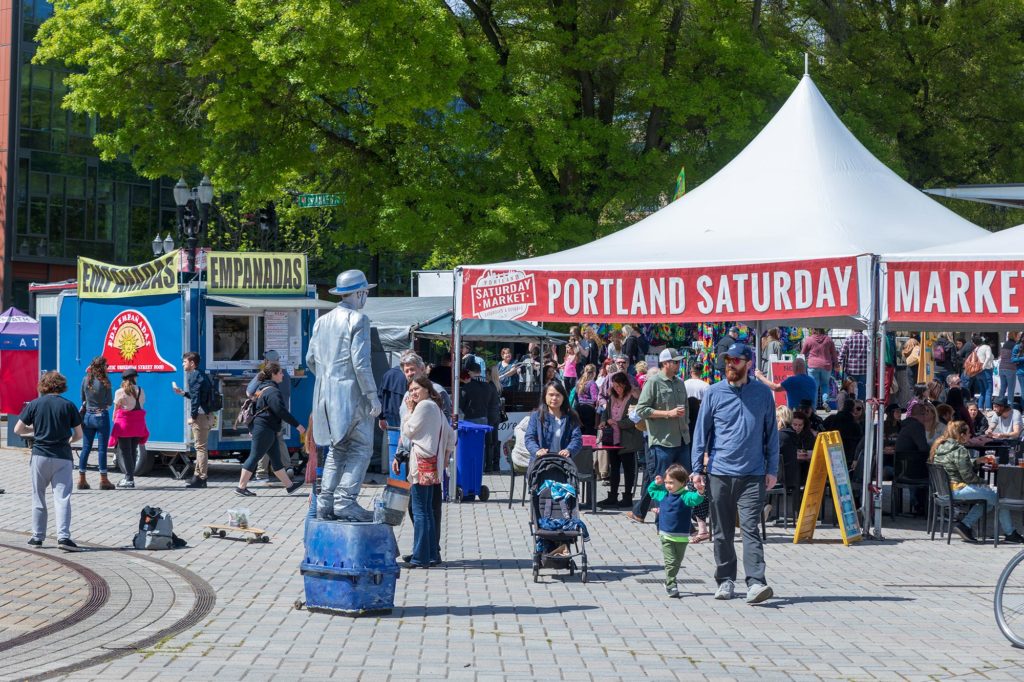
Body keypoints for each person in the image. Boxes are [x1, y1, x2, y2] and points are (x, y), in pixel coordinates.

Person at [691, 342, 777, 604]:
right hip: (719, 472)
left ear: (748, 363)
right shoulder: (714, 393)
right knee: (722, 531)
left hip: (753, 473)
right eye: (728, 360)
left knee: (750, 528)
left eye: (736, 360)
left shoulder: (763, 394)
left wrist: (772, 468)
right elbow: (700, 432)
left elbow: (771, 433)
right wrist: (697, 469)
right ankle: (726, 580)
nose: (730, 364)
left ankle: (756, 583)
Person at [307, 269, 382, 522]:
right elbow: (361, 364)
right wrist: (372, 396)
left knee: (337, 449)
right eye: (366, 293)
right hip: (352, 396)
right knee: (361, 448)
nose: (366, 298)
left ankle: (325, 502)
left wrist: (327, 379)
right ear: (359, 293)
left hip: (325, 398)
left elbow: (310, 360)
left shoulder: (321, 321)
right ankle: (345, 501)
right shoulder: (358, 320)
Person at [15, 371, 84, 551]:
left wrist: (35, 433)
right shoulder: (68, 406)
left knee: (38, 496)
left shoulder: (35, 404)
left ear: (43, 385)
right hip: (62, 457)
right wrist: (68, 441)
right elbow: (79, 434)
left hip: (40, 455)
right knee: (62, 498)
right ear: (61, 386)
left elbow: (17, 429)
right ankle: (63, 538)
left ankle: (37, 537)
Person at [394, 376, 456, 568]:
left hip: (421, 462)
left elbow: (409, 431)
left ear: (427, 389)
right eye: (410, 390)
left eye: (416, 389)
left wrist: (408, 412)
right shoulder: (436, 407)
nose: (413, 393)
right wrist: (445, 455)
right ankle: (430, 554)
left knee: (420, 511)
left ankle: (420, 557)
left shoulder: (422, 407)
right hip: (433, 464)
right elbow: (451, 435)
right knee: (427, 511)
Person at [931, 421, 1024, 544]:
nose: (970, 436)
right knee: (998, 496)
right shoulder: (960, 450)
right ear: (962, 435)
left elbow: (957, 464)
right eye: (969, 433)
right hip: (956, 490)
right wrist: (984, 483)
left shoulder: (941, 447)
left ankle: (965, 525)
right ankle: (1010, 533)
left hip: (944, 490)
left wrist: (978, 461)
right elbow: (968, 477)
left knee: (989, 499)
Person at [627, 348, 691, 524]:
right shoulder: (653, 382)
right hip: (662, 441)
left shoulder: (679, 382)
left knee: (684, 480)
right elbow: (641, 409)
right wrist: (667, 413)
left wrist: (685, 426)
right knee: (661, 481)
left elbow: (685, 408)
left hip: (681, 439)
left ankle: (681, 517)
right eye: (675, 362)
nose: (678, 365)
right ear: (665, 363)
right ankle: (662, 520)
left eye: (679, 362)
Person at [236, 362, 307, 497]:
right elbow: (281, 411)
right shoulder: (272, 391)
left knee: (276, 459)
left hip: (268, 428)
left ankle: (290, 486)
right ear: (273, 374)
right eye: (280, 373)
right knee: (254, 456)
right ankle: (241, 487)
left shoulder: (262, 389)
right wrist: (297, 425)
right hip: (265, 429)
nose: (282, 375)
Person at [655, 463, 706, 598]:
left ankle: (669, 580)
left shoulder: (686, 496)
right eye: (666, 482)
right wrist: (656, 483)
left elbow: (696, 499)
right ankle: (671, 584)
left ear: (682, 482)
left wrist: (700, 491)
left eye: (671, 482)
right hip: (665, 535)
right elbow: (652, 491)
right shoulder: (663, 494)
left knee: (677, 561)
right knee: (671, 561)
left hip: (682, 536)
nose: (668, 485)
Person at [597, 373, 642, 509]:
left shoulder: (633, 398)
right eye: (615, 386)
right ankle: (612, 496)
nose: (617, 389)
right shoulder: (611, 397)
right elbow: (606, 412)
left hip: (627, 439)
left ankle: (627, 497)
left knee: (628, 469)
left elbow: (635, 418)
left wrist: (618, 423)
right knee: (614, 468)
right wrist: (604, 421)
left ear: (625, 385)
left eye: (619, 386)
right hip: (612, 439)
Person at [172, 352, 214, 488]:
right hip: (206, 414)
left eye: (184, 362)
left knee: (201, 448)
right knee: (200, 447)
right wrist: (183, 393)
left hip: (201, 417)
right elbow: (198, 396)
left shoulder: (194, 376)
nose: (183, 364)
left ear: (191, 363)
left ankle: (202, 478)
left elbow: (196, 400)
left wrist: (193, 416)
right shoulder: (201, 374)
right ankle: (197, 476)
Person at [250, 350, 294, 481]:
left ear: (267, 361)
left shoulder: (266, 374)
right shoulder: (284, 374)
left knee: (265, 442)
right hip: (282, 413)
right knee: (279, 440)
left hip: (268, 414)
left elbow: (249, 391)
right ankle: (287, 468)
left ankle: (261, 473)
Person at [77, 356, 114, 491]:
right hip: (101, 416)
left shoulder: (85, 379)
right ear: (102, 367)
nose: (107, 368)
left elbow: (82, 398)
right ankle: (103, 480)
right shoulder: (105, 381)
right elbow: (109, 401)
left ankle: (82, 479)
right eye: (106, 365)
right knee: (102, 449)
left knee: (86, 448)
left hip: (87, 416)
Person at [109, 368, 148, 489]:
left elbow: (116, 409)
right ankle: (129, 477)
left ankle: (129, 479)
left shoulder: (120, 392)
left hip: (124, 425)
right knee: (132, 451)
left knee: (125, 452)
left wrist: (114, 419)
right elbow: (142, 405)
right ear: (135, 378)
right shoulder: (141, 390)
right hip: (138, 424)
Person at [524, 381, 583, 461]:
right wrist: (537, 450)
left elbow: (577, 439)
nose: (554, 398)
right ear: (545, 396)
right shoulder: (536, 416)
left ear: (563, 397)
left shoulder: (571, 416)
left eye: (558, 395)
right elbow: (529, 438)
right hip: (541, 463)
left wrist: (569, 450)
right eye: (551, 395)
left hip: (563, 464)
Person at [894, 403, 932, 515]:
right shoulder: (916, 426)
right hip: (910, 471)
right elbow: (923, 448)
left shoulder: (905, 425)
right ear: (923, 414)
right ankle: (922, 506)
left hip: (901, 468)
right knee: (936, 473)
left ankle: (918, 504)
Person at [802, 329, 838, 410]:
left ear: (813, 330)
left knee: (814, 387)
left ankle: (813, 408)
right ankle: (825, 402)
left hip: (813, 366)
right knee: (825, 385)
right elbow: (834, 354)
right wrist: (836, 364)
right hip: (826, 365)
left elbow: (802, 353)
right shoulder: (828, 339)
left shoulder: (809, 339)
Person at [838, 330, 869, 400]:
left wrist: (838, 363)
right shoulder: (867, 339)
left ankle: (851, 404)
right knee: (862, 388)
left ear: (853, 329)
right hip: (863, 369)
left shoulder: (849, 338)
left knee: (850, 388)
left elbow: (842, 353)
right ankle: (860, 405)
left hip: (850, 370)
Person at [972, 334, 995, 410]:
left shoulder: (976, 349)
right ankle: (988, 407)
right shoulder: (987, 347)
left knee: (982, 391)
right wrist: (983, 366)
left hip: (978, 371)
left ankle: (980, 407)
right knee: (989, 389)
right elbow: (988, 357)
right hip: (986, 370)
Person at [998, 333, 1018, 405]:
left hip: (1001, 367)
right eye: (1018, 335)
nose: (1019, 337)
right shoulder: (1015, 345)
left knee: (1002, 388)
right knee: (1011, 389)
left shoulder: (1005, 344)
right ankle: (1010, 407)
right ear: (1015, 336)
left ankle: (999, 405)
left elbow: (1001, 356)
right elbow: (1015, 358)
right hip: (1010, 368)